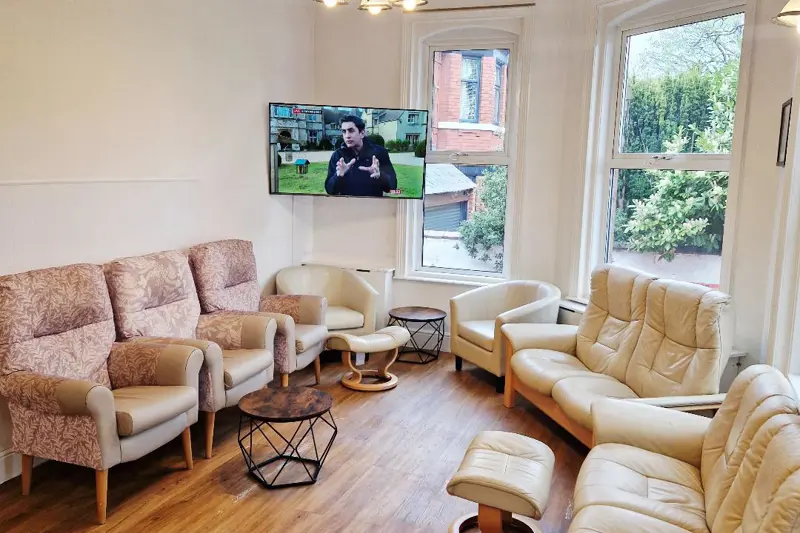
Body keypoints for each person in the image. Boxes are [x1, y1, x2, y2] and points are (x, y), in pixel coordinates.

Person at [324, 115, 397, 197]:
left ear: (362, 133)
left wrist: (380, 176)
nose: (347, 136)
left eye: (351, 131)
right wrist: (338, 176)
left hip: (373, 203)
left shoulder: (379, 153)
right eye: (344, 131)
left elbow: (393, 188)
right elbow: (330, 191)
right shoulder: (338, 156)